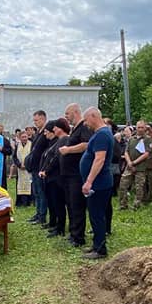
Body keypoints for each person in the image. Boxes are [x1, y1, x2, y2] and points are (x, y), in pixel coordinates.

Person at [80, 107, 115, 259]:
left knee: (97, 215)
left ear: (93, 116)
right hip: (99, 182)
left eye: (86, 120)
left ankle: (100, 249)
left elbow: (99, 159)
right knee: (95, 214)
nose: (86, 124)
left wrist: (89, 181)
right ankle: (96, 244)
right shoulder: (101, 133)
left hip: (99, 183)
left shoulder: (102, 135)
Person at [59, 103, 92, 248]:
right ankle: (73, 233)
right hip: (68, 175)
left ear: (76, 112)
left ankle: (79, 237)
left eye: (67, 113)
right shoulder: (74, 130)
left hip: (76, 175)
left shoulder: (84, 127)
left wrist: (68, 150)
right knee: (70, 205)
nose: (66, 117)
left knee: (77, 205)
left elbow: (86, 144)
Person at [39, 119, 69, 238]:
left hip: (57, 178)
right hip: (51, 177)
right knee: (54, 203)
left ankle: (60, 227)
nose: (54, 130)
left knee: (59, 204)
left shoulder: (63, 140)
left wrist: (46, 170)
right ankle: (56, 225)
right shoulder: (56, 142)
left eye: (55, 128)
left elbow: (56, 159)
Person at [118, 120, 152, 209]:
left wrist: (134, 162)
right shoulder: (131, 139)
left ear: (145, 128)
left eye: (142, 127)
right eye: (138, 127)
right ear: (136, 128)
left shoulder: (147, 139)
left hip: (140, 167)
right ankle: (123, 204)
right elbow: (126, 152)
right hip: (129, 166)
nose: (140, 129)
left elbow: (146, 154)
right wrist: (129, 162)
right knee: (123, 184)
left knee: (139, 187)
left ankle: (137, 205)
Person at [26, 110, 50, 225]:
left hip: (41, 167)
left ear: (43, 119)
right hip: (34, 166)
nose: (35, 122)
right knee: (36, 192)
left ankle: (42, 215)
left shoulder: (46, 132)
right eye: (34, 120)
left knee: (41, 192)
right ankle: (38, 213)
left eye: (37, 120)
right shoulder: (38, 133)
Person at [12, 130, 33, 206]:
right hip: (20, 169)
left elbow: (33, 156)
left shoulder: (31, 145)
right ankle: (20, 202)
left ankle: (29, 202)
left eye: (25, 136)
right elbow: (14, 157)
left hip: (28, 169)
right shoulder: (18, 145)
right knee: (20, 185)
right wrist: (19, 165)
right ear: (20, 138)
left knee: (29, 185)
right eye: (23, 137)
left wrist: (27, 165)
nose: (24, 138)